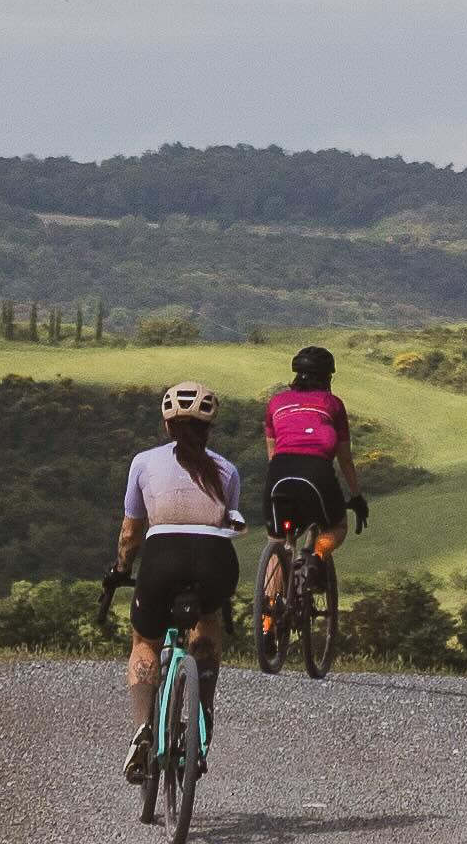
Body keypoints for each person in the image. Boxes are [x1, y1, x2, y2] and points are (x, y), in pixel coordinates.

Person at [104, 381, 245, 808]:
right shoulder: (227, 470)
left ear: (166, 424)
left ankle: (144, 729)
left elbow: (131, 532)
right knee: (208, 622)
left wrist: (121, 569)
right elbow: (231, 524)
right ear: (210, 427)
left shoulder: (144, 463)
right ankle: (202, 712)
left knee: (144, 641)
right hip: (215, 557)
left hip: (162, 555)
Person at [260, 346, 370, 626]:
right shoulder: (333, 404)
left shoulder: (276, 403)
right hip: (317, 474)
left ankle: (267, 623)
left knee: (278, 541)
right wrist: (356, 497)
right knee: (336, 526)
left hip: (279, 473)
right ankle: (316, 557)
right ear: (328, 378)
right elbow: (345, 459)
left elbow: (272, 454)